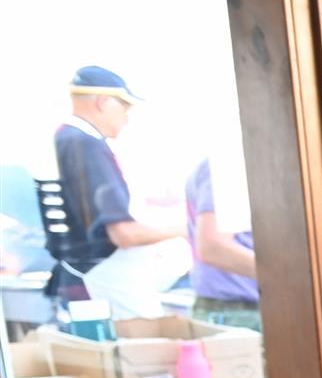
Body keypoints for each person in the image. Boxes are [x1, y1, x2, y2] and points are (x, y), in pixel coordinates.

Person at [52, 66, 190, 319]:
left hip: (83, 272)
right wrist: (186, 229)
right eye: (125, 107)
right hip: (106, 276)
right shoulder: (86, 144)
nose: (127, 117)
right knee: (147, 352)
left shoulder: (65, 137)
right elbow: (123, 234)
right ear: (104, 102)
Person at [185, 149, 261, 330]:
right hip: (236, 313)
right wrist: (286, 276)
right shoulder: (230, 164)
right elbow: (213, 246)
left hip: (244, 310)